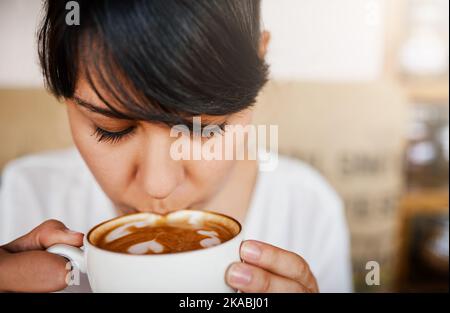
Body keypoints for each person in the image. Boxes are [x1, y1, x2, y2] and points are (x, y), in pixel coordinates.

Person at [0, 0, 352, 293]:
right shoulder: (25, 196)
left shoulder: (308, 211)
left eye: (204, 129)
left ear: (260, 58)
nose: (158, 185)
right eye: (112, 130)